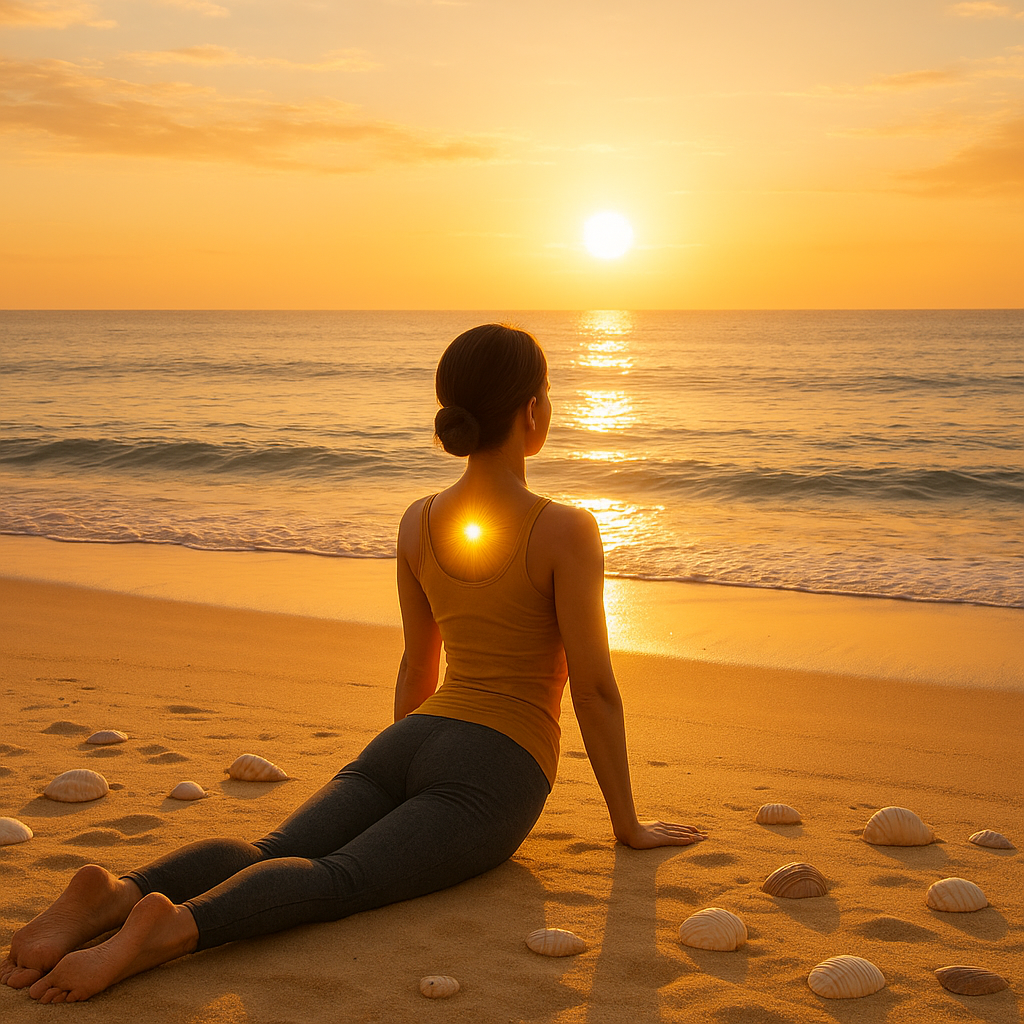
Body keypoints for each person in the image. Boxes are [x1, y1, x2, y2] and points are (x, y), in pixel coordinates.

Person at [1, 323, 706, 1004]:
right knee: (341, 877)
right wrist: (627, 823)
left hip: (411, 737)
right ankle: (171, 927)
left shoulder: (418, 519)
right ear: (531, 409)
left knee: (270, 845)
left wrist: (405, 769)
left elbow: (417, 663)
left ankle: (119, 892)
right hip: (499, 764)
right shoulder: (566, 529)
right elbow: (595, 688)